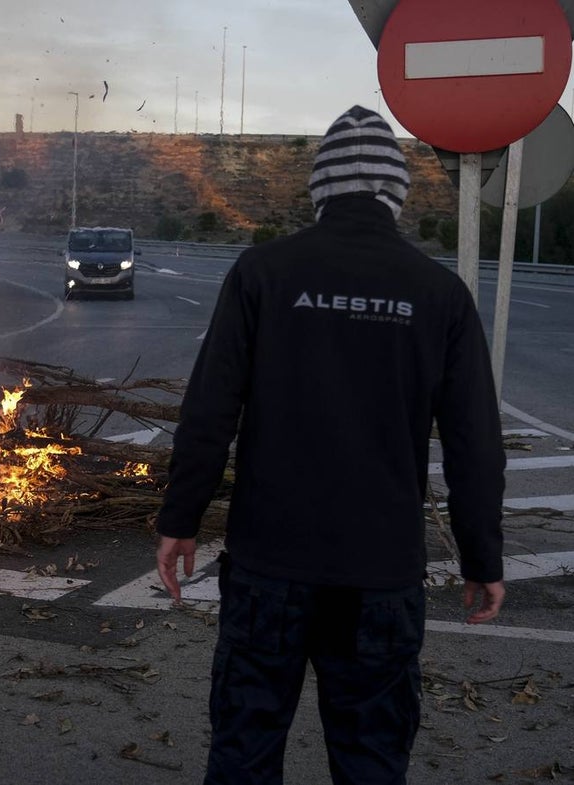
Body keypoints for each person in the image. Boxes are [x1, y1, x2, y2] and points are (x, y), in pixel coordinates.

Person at [154, 105, 506, 785]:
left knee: (245, 752)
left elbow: (209, 410)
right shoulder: (440, 292)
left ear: (321, 190)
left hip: (269, 569)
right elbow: (475, 445)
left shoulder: (264, 272)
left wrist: (179, 519)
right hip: (380, 577)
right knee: (372, 760)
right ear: (396, 194)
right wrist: (482, 555)